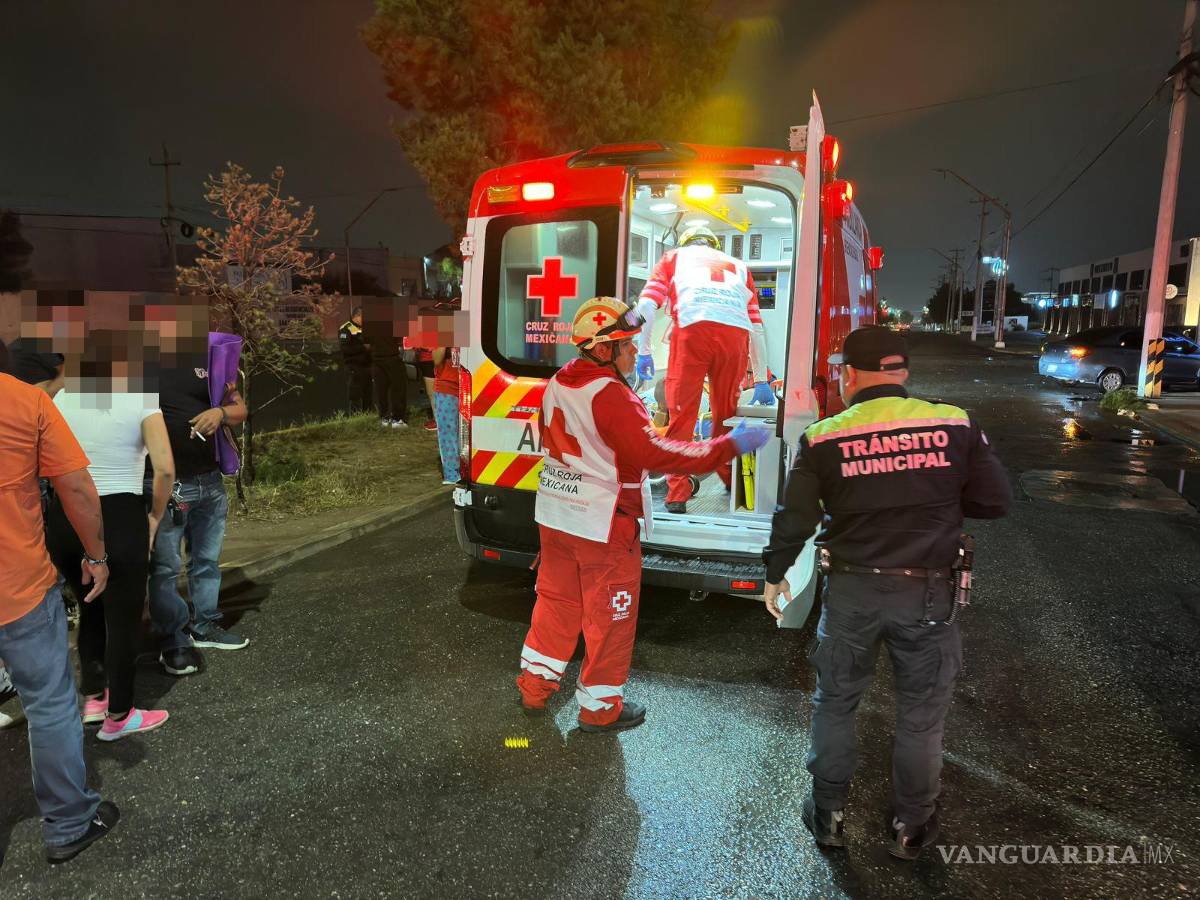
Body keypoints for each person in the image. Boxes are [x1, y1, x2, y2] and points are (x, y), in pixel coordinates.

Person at [760, 325, 1012, 860]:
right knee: (921, 714)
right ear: (903, 374)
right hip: (927, 595)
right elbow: (994, 502)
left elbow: (795, 517)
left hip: (851, 590)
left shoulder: (825, 437)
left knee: (836, 702)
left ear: (849, 376)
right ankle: (912, 826)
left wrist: (775, 572)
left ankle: (828, 814)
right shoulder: (953, 423)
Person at [517, 297, 769, 732]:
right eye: (627, 345)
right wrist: (728, 446)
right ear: (601, 350)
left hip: (557, 518)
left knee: (556, 606)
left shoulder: (559, 381)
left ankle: (534, 689)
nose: (636, 352)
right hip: (603, 525)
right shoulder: (613, 396)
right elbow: (657, 454)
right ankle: (600, 710)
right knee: (610, 618)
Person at [0, 367, 120, 863]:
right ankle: (69, 824)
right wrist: (96, 556)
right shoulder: (22, 400)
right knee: (49, 706)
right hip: (19, 590)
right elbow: (76, 488)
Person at [46, 349, 175, 741]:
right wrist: (154, 517)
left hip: (64, 518)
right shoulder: (139, 396)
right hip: (118, 515)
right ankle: (119, 716)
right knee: (122, 617)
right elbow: (166, 467)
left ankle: (93, 699)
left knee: (89, 606)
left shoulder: (61, 398)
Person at [628, 225, 775, 514]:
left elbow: (645, 306)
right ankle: (732, 483)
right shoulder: (740, 266)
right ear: (713, 244)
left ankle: (677, 495)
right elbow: (757, 326)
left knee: (682, 417)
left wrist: (643, 352)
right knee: (726, 415)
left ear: (685, 242)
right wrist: (761, 379)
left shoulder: (673, 258)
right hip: (735, 337)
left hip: (692, 331)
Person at [148, 346, 249, 675]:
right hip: (165, 484)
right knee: (164, 569)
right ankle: (173, 639)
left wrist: (220, 413)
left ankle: (205, 625)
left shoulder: (206, 360)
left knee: (206, 561)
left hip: (209, 480)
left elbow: (239, 409)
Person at [365, 316, 408, 429]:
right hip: (392, 358)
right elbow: (401, 341)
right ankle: (397, 419)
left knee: (381, 390)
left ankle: (384, 418)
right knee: (397, 389)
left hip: (376, 361)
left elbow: (367, 345)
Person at [431, 347, 461, 483]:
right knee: (449, 434)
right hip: (447, 388)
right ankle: (452, 474)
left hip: (473, 384)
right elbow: (437, 359)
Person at [338, 306, 373, 414]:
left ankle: (368, 415)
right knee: (355, 396)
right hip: (353, 367)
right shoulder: (345, 329)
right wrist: (363, 347)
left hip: (367, 367)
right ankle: (355, 418)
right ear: (357, 316)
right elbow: (345, 349)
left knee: (368, 393)